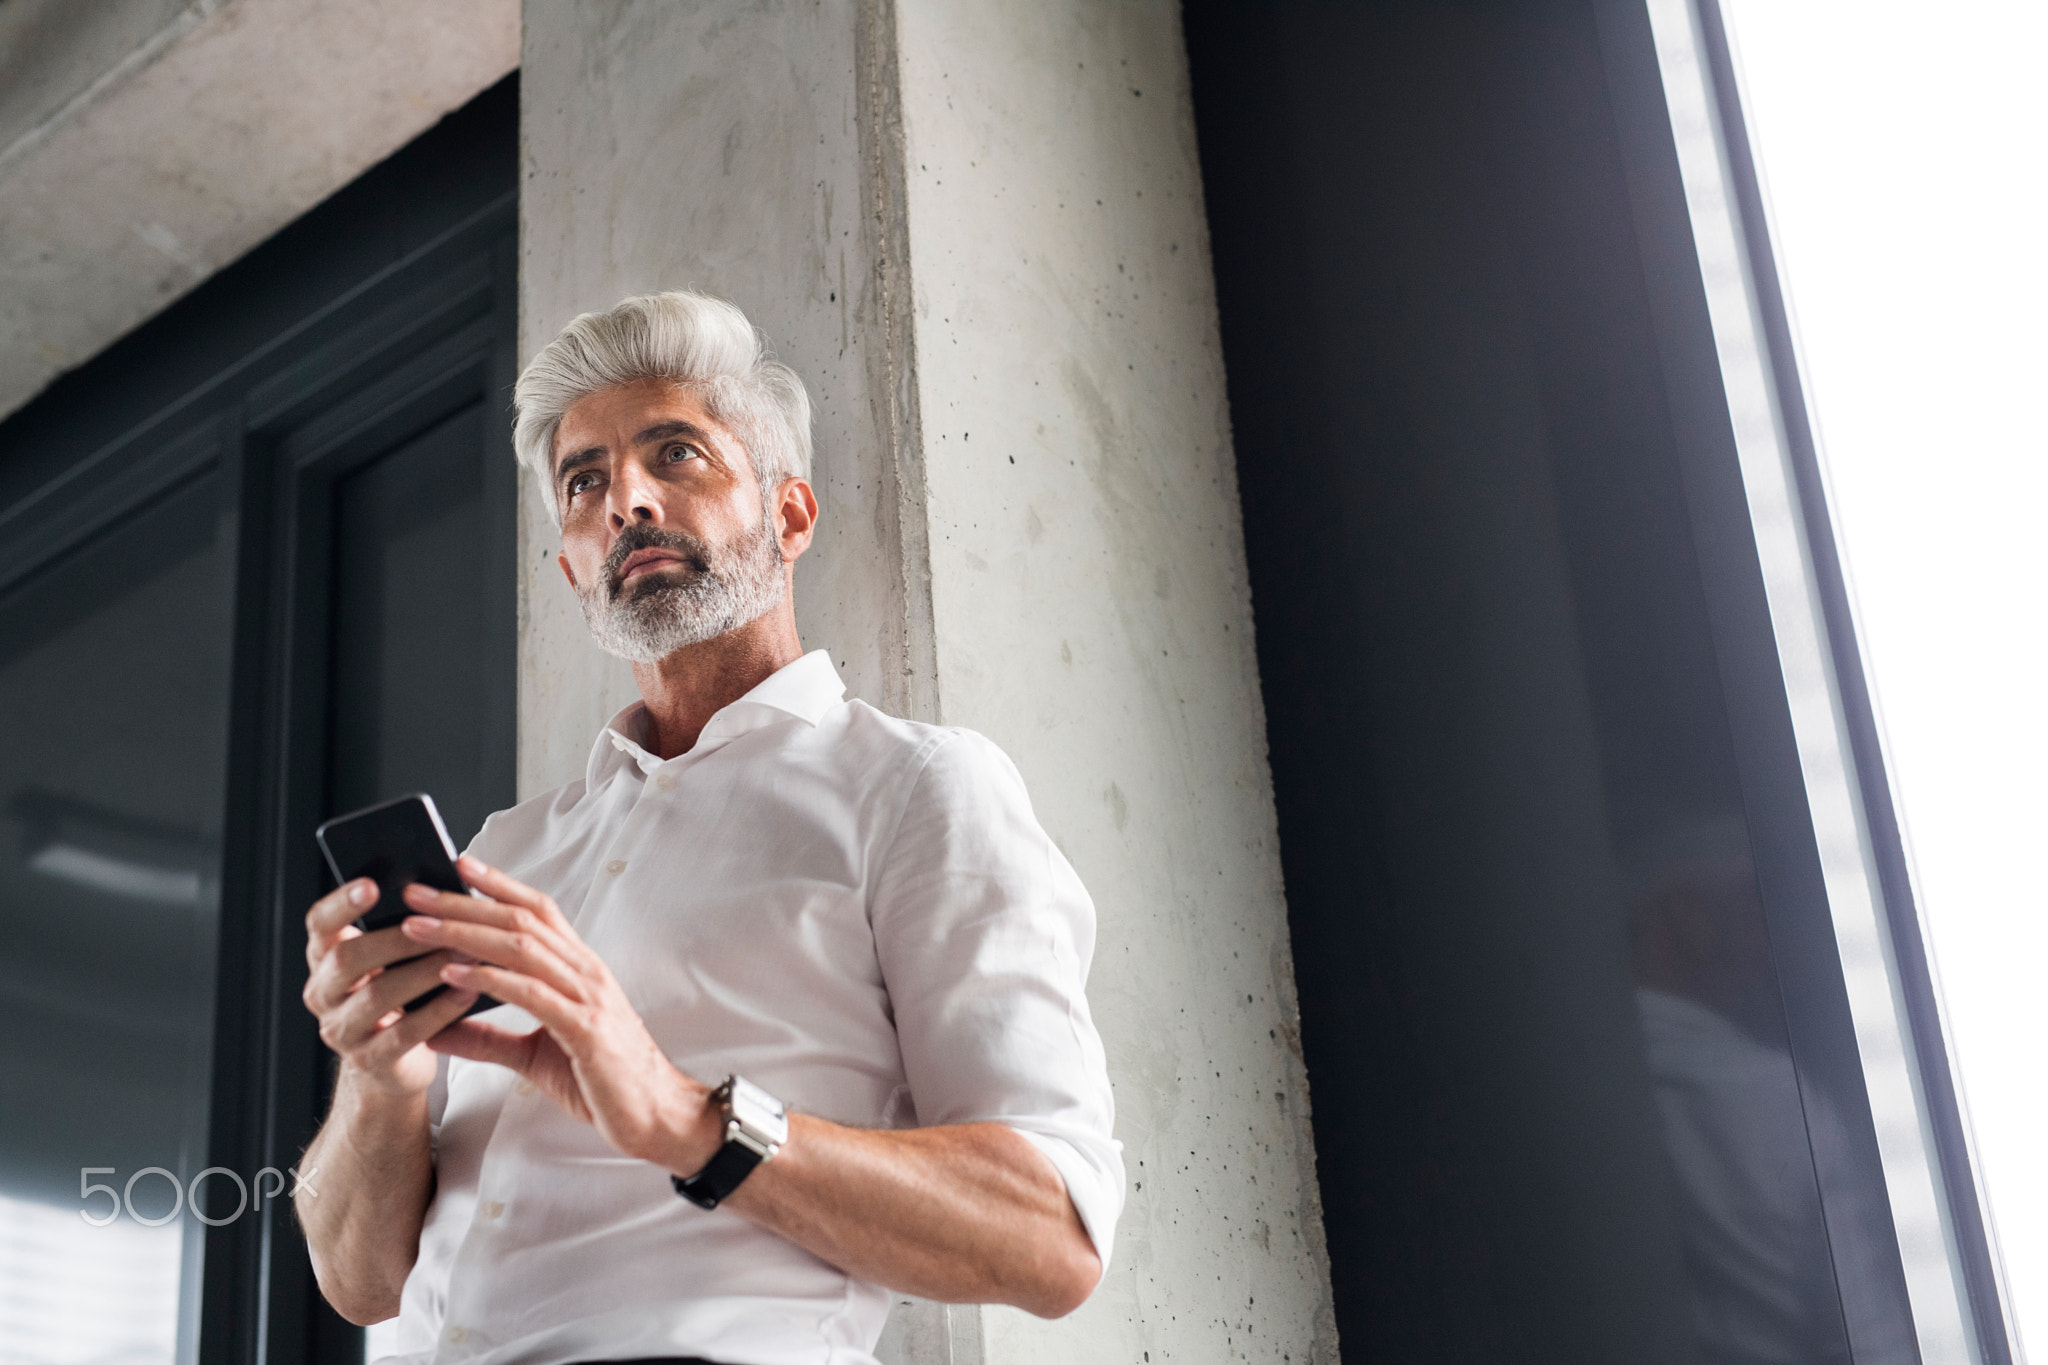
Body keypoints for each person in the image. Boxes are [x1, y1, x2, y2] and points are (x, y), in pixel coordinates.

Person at [294, 291, 1122, 1365]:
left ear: (789, 515)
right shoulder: (500, 854)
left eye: (674, 455)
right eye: (582, 481)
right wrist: (384, 1076)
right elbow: (356, 1284)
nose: (624, 500)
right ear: (570, 573)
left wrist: (685, 1117)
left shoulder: (917, 789)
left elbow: (1049, 1234)